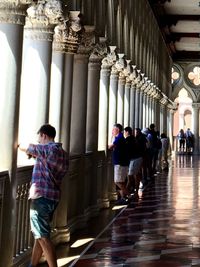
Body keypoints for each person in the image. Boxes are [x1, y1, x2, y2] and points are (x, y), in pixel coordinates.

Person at [18, 124, 69, 267]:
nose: (39, 142)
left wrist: (18, 144)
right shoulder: (63, 153)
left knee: (43, 237)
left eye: (39, 139)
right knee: (39, 236)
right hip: (53, 197)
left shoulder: (48, 149)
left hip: (41, 198)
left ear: (44, 135)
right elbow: (47, 164)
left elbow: (28, 147)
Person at [108, 123, 129, 205]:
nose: (112, 131)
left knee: (117, 181)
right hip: (121, 162)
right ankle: (123, 198)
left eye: (113, 129)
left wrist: (110, 140)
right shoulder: (119, 137)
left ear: (118, 130)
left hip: (120, 163)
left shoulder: (119, 138)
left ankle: (128, 195)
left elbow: (110, 147)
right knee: (121, 181)